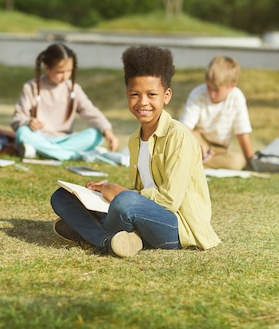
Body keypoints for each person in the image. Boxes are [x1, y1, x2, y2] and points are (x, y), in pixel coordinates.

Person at [50, 45, 220, 257]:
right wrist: (105, 190)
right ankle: (110, 240)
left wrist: (122, 193)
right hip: (142, 213)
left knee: (123, 202)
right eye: (135, 94)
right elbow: (144, 190)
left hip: (176, 227)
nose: (143, 102)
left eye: (151, 94)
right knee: (61, 197)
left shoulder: (179, 136)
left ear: (166, 96)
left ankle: (89, 232)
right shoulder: (135, 139)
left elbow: (169, 201)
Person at [10, 43, 118, 161]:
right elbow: (17, 119)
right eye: (60, 72)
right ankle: (73, 155)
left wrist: (109, 133)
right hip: (39, 136)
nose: (65, 76)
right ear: (47, 68)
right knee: (23, 132)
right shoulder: (31, 87)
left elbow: (91, 112)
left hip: (65, 139)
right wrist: (29, 121)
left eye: (69, 71)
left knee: (97, 135)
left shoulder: (73, 89)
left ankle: (42, 151)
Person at [179, 56, 254, 170]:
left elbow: (242, 134)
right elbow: (184, 129)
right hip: (198, 140)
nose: (211, 94)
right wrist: (197, 145)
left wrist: (251, 163)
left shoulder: (237, 98)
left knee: (237, 161)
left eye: (217, 90)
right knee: (182, 138)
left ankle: (195, 162)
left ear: (231, 86)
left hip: (220, 149)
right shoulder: (198, 94)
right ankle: (195, 158)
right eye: (209, 87)